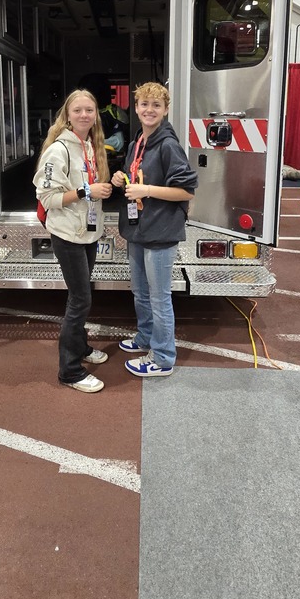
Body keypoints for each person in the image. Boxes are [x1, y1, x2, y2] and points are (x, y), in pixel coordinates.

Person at [111, 82, 197, 378]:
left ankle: (162, 358)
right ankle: (145, 338)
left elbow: (186, 191)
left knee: (159, 297)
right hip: (139, 229)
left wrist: (146, 189)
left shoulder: (168, 145)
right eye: (144, 104)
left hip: (160, 231)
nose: (149, 110)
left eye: (156, 105)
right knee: (141, 292)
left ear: (165, 110)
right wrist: (123, 178)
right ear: (135, 107)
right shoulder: (137, 142)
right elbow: (136, 173)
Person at [33, 89, 112, 393]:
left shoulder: (91, 145)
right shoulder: (59, 150)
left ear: (95, 115)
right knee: (80, 299)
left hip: (87, 232)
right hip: (67, 234)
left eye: (89, 110)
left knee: (82, 295)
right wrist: (85, 192)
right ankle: (70, 370)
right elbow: (48, 197)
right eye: (78, 110)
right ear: (67, 115)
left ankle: (80, 348)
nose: (84, 115)